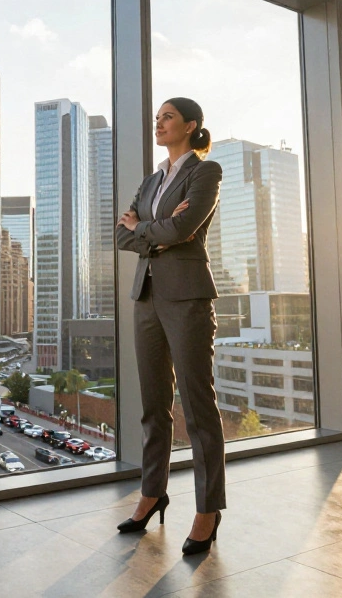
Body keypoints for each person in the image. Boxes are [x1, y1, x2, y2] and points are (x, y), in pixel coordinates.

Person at [114, 97, 225, 556]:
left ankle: (207, 509)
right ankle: (152, 493)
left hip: (187, 298)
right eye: (157, 117)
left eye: (168, 117)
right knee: (153, 406)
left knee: (198, 408)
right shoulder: (153, 179)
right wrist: (154, 229)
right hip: (146, 298)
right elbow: (121, 234)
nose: (158, 123)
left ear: (190, 125)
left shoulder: (205, 171)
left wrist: (146, 227)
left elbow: (185, 230)